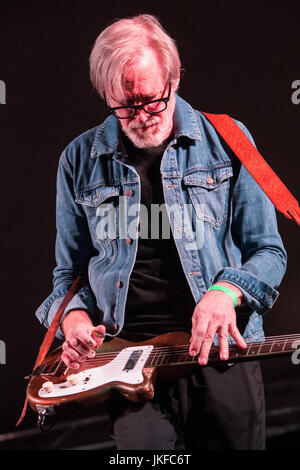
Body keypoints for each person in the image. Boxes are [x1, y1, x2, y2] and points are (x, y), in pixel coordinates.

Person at [35, 14, 287, 450]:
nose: (143, 116)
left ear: (173, 78)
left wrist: (226, 292)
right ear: (105, 94)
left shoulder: (231, 139)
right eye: (125, 106)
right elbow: (67, 273)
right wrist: (73, 317)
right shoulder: (77, 159)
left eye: (153, 100)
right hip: (126, 355)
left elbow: (268, 251)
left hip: (221, 346)